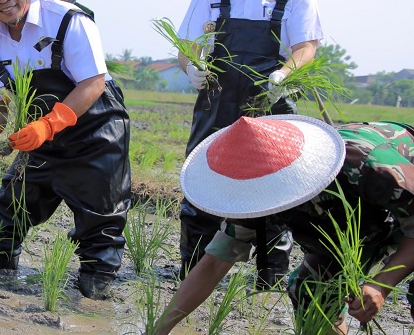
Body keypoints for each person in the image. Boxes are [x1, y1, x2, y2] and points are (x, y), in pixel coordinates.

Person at [0, 0, 131, 300]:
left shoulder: (67, 20)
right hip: (42, 139)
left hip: (96, 131)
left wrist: (50, 124)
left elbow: (93, 83)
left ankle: (95, 292)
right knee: (8, 208)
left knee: (100, 220)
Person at [176, 0, 323, 286]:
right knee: (203, 175)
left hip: (270, 101)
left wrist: (282, 77)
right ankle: (192, 267)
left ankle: (270, 275)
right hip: (216, 98)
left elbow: (306, 49)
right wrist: (192, 66)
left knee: (275, 182)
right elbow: (187, 45)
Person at [155, 115, 414, 333]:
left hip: (398, 195)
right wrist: (159, 329)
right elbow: (213, 264)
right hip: (353, 222)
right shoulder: (255, 195)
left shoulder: (370, 168)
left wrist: (381, 284)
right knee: (311, 294)